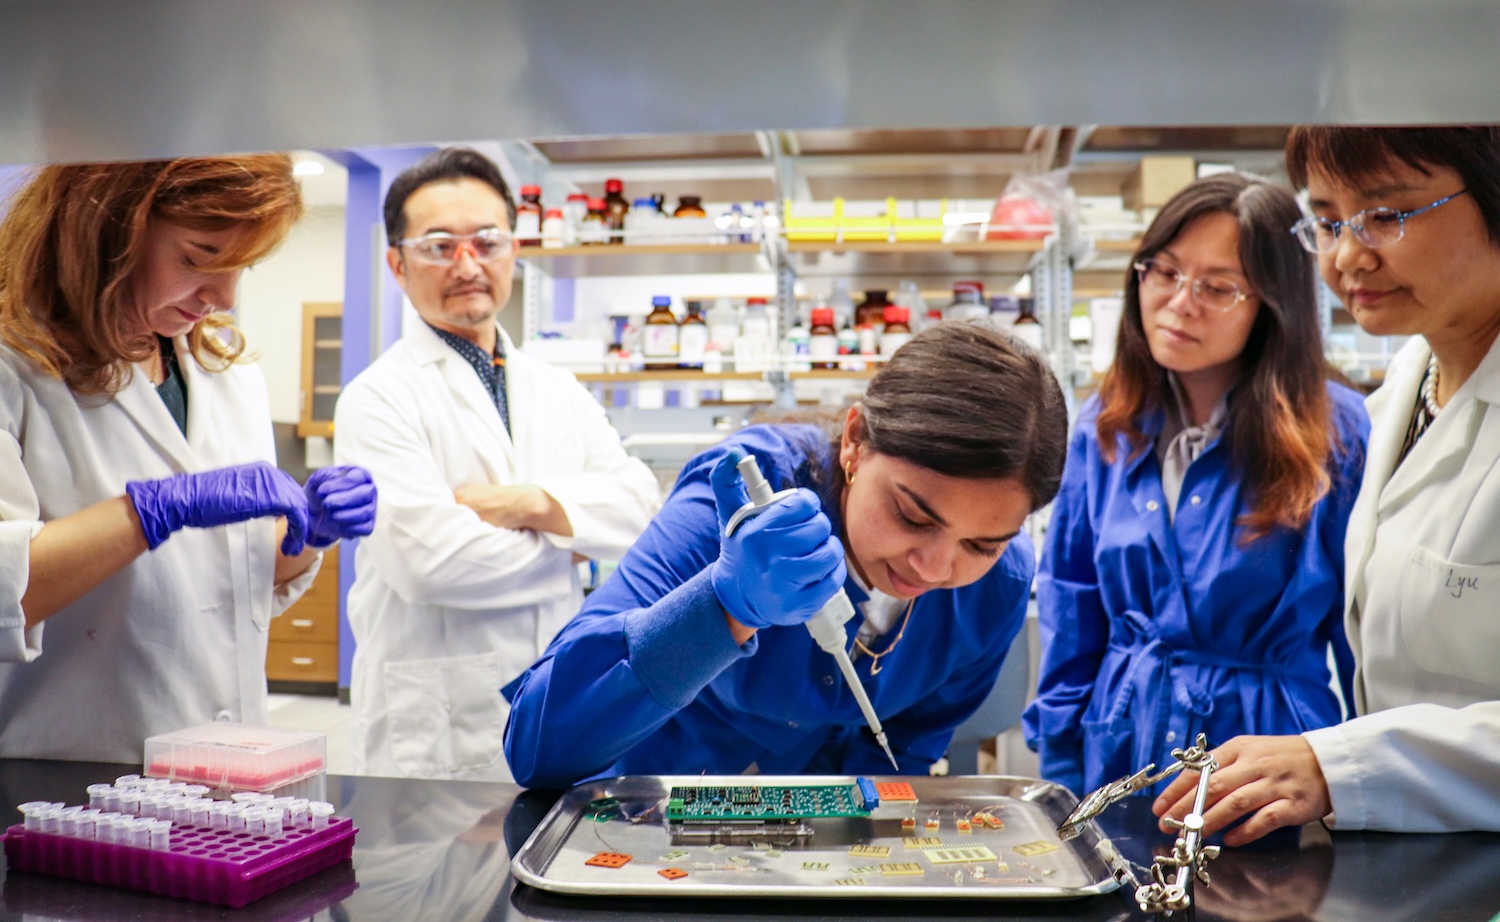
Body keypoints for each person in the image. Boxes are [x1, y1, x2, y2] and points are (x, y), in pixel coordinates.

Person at [502, 321, 1068, 787]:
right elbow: (537, 745)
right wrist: (723, 608)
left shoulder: (998, 585)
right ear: (855, 442)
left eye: (981, 544)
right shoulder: (742, 501)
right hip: (651, 810)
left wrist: (855, 857)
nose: (935, 568)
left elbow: (904, 750)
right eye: (912, 516)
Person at [1154, 127, 1500, 843]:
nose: (1347, 255)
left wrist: (1341, 764)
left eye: (1386, 215)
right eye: (1330, 220)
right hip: (1422, 867)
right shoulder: (1397, 399)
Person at [0, 155, 377, 762]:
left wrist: (307, 533)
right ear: (109, 228)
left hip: (231, 771)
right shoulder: (13, 364)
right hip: (74, 777)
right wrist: (151, 511)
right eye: (199, 257)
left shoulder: (226, 374)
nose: (225, 295)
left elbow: (235, 586)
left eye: (242, 266)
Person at [1022, 174, 1369, 801]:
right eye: (1165, 271)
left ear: (1272, 304)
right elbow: (1071, 608)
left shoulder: (1335, 432)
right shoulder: (1107, 425)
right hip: (1122, 748)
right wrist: (1064, 771)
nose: (1181, 302)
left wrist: (1366, 785)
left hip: (1265, 764)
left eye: (1217, 287)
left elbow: (1364, 634)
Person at [333, 147, 661, 782]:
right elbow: (430, 566)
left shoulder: (556, 387)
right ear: (397, 264)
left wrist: (530, 505)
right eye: (438, 246)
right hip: (434, 726)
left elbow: (641, 507)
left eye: (487, 241)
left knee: (553, 872)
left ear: (513, 249)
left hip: (559, 703)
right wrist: (573, 542)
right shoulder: (377, 399)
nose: (467, 263)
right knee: (440, 878)